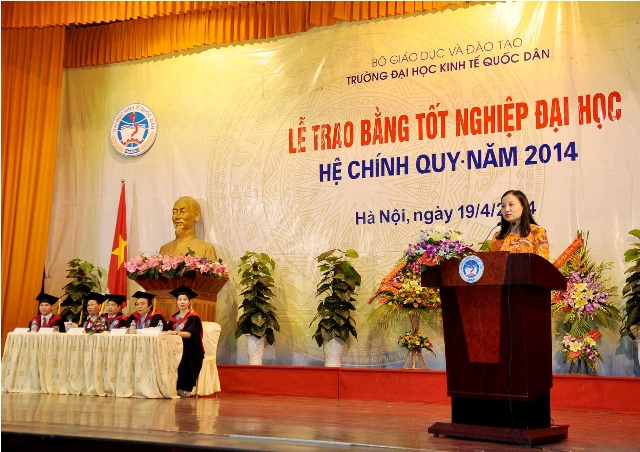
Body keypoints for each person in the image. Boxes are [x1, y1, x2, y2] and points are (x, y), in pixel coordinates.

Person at [167, 285, 204, 397]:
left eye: (185, 299)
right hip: (174, 347)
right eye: (180, 299)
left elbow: (189, 334)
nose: (182, 302)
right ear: (177, 302)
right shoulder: (174, 317)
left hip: (190, 348)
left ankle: (183, 388)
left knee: (184, 359)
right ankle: (169, 386)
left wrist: (175, 333)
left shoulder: (193, 317)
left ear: (189, 302)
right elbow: (167, 331)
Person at [491, 189, 550, 259]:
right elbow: (494, 263)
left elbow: (542, 262)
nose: (506, 209)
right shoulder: (497, 236)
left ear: (523, 206)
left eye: (511, 205)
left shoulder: (536, 231)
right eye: (503, 206)